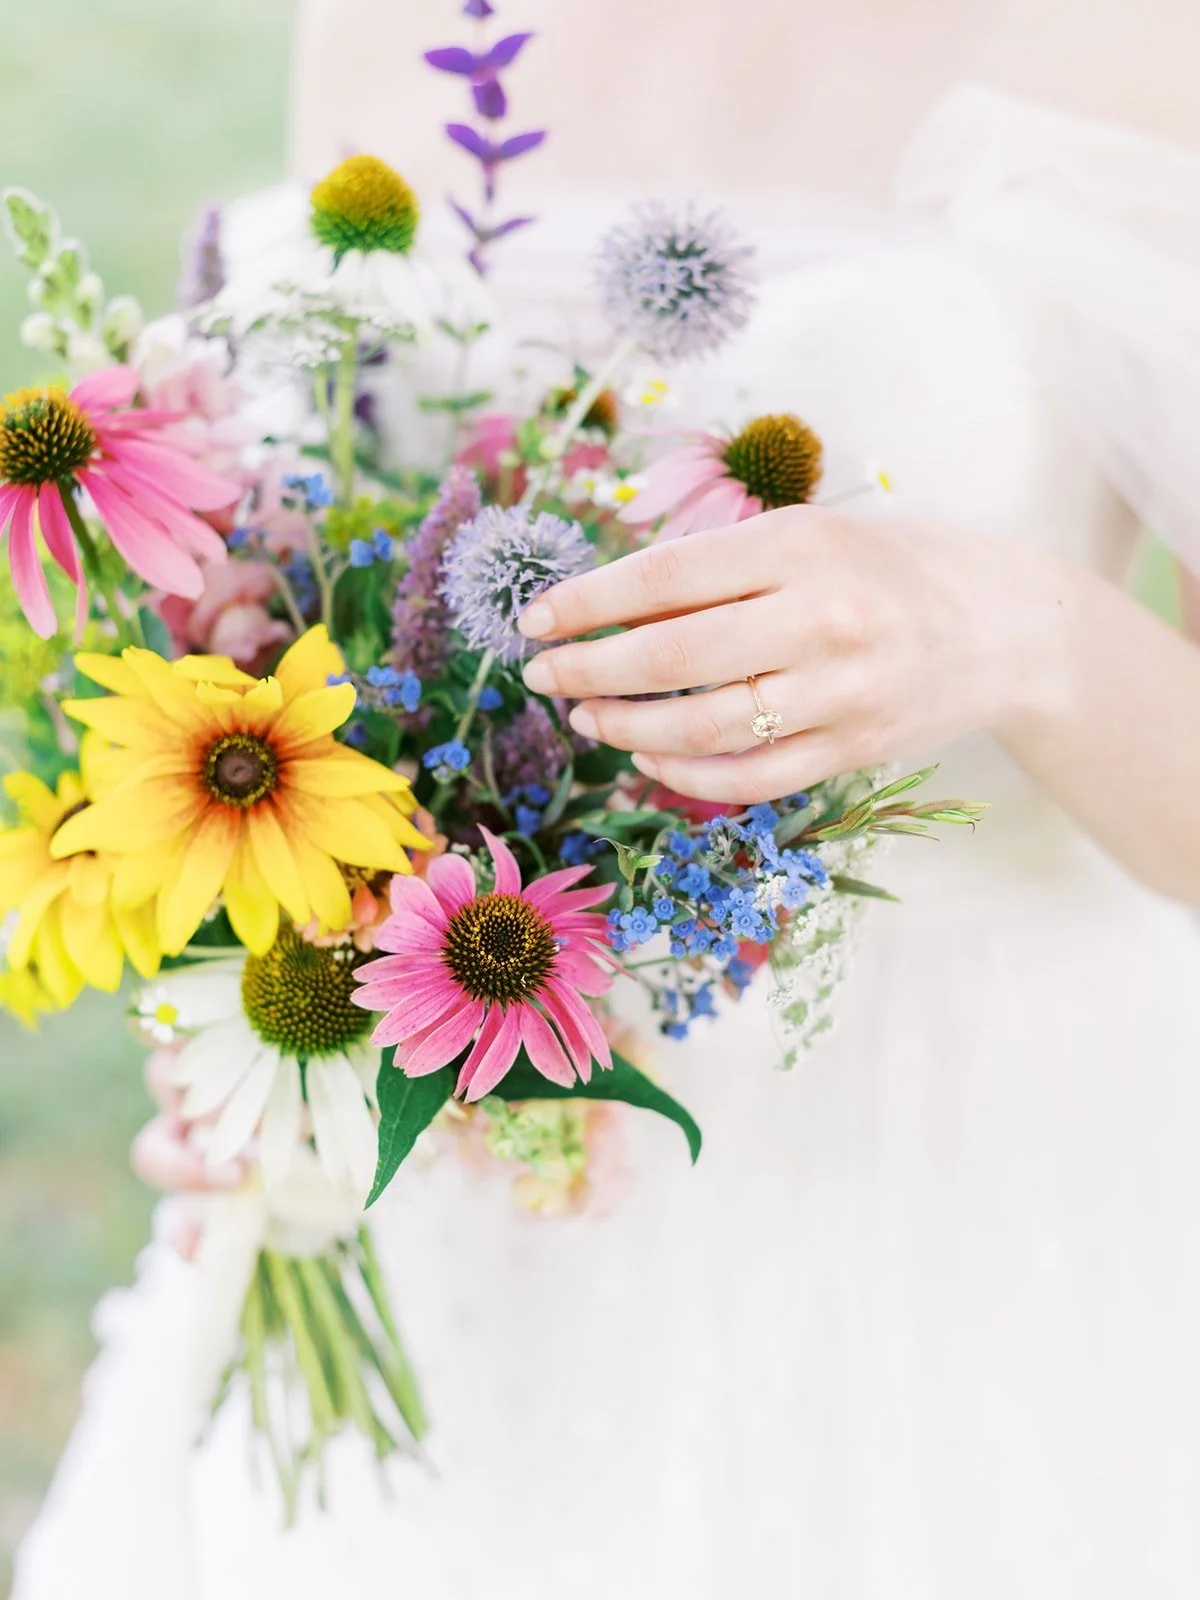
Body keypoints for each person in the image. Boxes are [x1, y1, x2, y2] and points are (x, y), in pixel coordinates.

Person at [17, 2, 1200, 1595]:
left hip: (943, 1182)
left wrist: (1019, 633)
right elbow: (318, 611)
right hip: (443, 1160)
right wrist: (270, 1017)